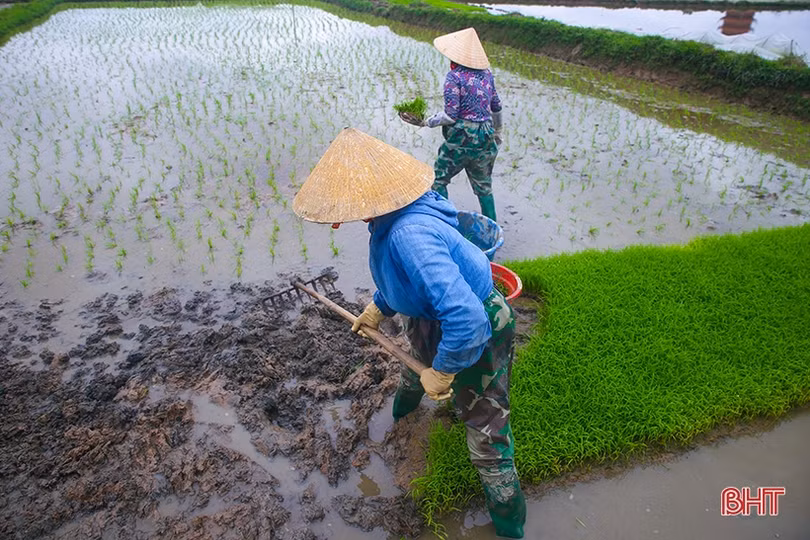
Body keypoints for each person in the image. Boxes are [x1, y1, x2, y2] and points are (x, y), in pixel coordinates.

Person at [292, 128, 526, 539]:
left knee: (486, 431)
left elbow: (467, 319)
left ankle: (510, 527)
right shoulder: (395, 215)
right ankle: (402, 419)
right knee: (412, 373)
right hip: (428, 316)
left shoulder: (408, 233)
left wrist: (445, 370)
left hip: (479, 325)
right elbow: (409, 279)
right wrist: (379, 308)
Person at [422, 27, 503, 222]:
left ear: (454, 59)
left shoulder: (454, 77)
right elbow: (496, 106)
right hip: (485, 134)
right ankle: (492, 229)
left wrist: (427, 121)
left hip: (462, 136)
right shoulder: (487, 75)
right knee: (484, 187)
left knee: (439, 179)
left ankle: (447, 223)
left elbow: (451, 115)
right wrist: (498, 131)